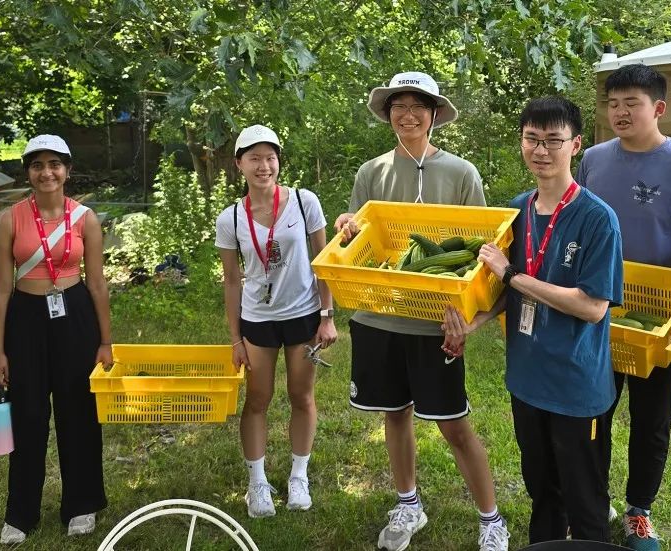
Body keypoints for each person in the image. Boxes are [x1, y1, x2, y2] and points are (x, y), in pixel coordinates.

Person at [334, 71, 510, 551]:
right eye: (398, 106)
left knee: (453, 423)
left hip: (436, 320)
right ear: (388, 114)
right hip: (378, 313)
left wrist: (466, 318)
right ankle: (408, 503)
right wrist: (347, 226)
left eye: (417, 106)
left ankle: (491, 518)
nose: (407, 115)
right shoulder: (371, 171)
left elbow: (480, 248)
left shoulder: (461, 173)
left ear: (434, 115)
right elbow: (357, 232)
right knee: (395, 413)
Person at [445, 96, 624, 544]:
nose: (541, 151)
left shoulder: (598, 219)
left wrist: (512, 274)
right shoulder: (516, 211)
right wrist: (473, 323)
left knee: (585, 500)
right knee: (541, 489)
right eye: (531, 139)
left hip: (576, 386)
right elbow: (505, 291)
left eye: (553, 140)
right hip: (526, 379)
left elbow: (592, 306)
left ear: (576, 145)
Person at [575, 63, 671, 550]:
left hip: (659, 314)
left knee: (651, 419)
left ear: (658, 108)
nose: (619, 112)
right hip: (598, 306)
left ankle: (639, 509)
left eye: (631, 103)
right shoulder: (593, 159)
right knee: (593, 411)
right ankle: (593, 503)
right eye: (612, 104)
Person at [0, 135, 111, 544]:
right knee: (28, 414)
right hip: (26, 318)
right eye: (38, 165)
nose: (47, 172)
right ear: (28, 172)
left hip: (74, 315)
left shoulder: (86, 219)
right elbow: (1, 289)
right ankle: (20, 513)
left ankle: (81, 505)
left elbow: (96, 284)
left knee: (79, 410)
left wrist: (105, 341)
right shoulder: (11, 219)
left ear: (68, 170)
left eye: (55, 164)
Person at [214, 124, 338, 518]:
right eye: (254, 158)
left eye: (270, 157)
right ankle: (257, 483)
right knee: (258, 399)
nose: (263, 166)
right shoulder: (231, 217)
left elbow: (325, 262)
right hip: (258, 319)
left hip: (302, 315)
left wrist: (327, 315)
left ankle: (298, 476)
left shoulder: (304, 202)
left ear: (278, 161)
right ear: (239, 165)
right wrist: (235, 338)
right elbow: (232, 279)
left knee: (302, 396)